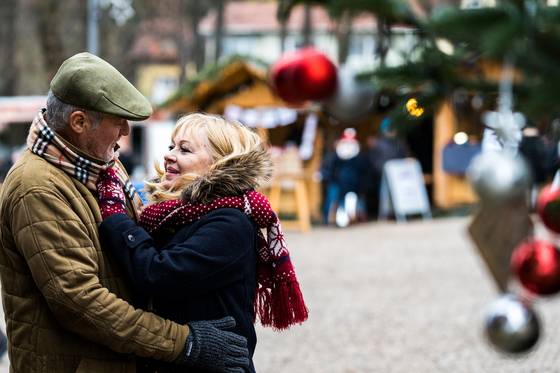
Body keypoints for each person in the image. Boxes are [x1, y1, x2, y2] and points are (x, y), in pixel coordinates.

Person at [0, 53, 249, 372]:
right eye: (117, 119)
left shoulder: (101, 167)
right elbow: (80, 302)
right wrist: (184, 342)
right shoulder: (37, 185)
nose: (126, 131)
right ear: (79, 123)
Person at [96, 113, 309, 372]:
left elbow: (156, 273)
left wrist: (116, 216)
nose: (170, 155)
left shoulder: (230, 224)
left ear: (219, 165)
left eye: (184, 149)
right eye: (171, 146)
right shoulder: (174, 214)